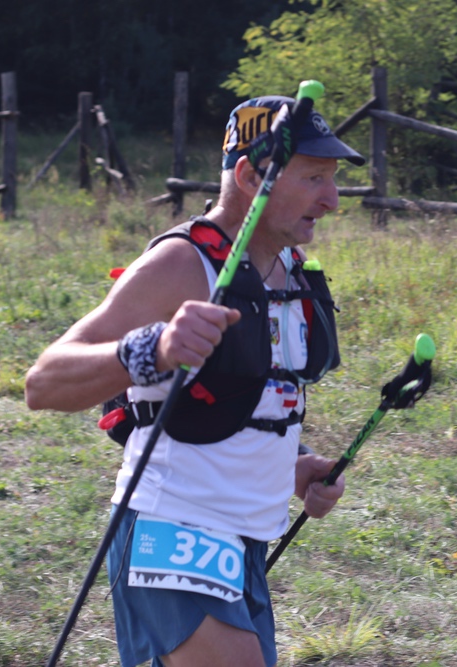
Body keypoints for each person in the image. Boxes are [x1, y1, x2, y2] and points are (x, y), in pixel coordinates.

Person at [25, 94, 366, 667]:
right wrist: (152, 349)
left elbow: (239, 398)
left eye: (332, 179)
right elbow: (43, 382)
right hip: (172, 526)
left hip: (246, 540)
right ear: (250, 176)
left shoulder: (288, 270)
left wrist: (296, 466)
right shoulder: (183, 264)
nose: (331, 200)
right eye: (314, 178)